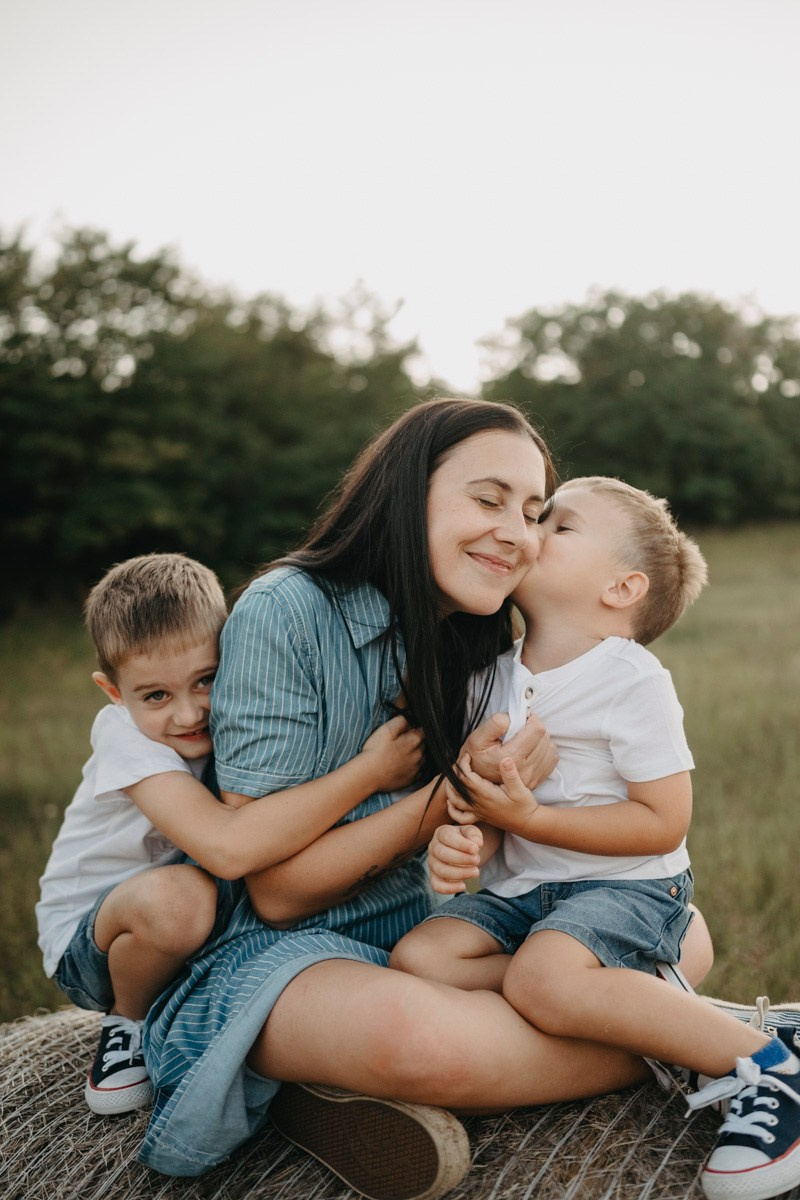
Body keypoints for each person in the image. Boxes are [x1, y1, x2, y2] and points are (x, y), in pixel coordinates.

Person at [135, 401, 716, 1200]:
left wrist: (483, 816)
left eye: (534, 513)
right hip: (274, 949)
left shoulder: (477, 635)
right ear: (409, 492)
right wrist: (450, 800)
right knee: (422, 1039)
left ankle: (339, 1082)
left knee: (684, 934)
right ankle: (720, 1041)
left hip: (411, 934)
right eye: (488, 500)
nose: (518, 533)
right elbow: (277, 895)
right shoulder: (288, 610)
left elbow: (518, 832)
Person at [390, 476, 800, 1200]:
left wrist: (533, 822)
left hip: (628, 887)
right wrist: (465, 841)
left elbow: (663, 821)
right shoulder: (486, 682)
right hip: (525, 894)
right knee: (420, 958)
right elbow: (491, 820)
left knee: (540, 981)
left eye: (559, 524)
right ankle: (640, 1001)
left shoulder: (631, 679)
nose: (530, 530)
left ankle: (769, 1070)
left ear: (621, 588)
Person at [36, 552, 423, 1117]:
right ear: (113, 692)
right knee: (179, 903)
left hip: (194, 919)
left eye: (207, 679)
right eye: (156, 696)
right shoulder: (125, 739)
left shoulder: (240, 716)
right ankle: (129, 1022)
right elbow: (227, 847)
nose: (190, 714)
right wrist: (370, 772)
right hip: (96, 939)